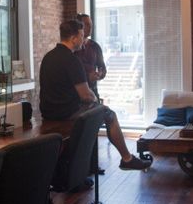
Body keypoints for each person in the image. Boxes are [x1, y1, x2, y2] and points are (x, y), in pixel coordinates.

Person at [39, 19, 152, 171]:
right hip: (67, 114)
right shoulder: (72, 60)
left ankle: (83, 170)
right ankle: (127, 159)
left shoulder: (48, 57)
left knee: (96, 111)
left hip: (48, 112)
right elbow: (86, 96)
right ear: (73, 38)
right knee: (109, 114)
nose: (83, 39)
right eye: (81, 35)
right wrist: (97, 103)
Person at [74, 13, 107, 100]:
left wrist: (99, 74)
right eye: (87, 24)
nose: (90, 27)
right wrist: (88, 77)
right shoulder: (73, 48)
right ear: (79, 26)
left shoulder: (95, 46)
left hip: (93, 91)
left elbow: (102, 68)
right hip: (76, 95)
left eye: (91, 24)